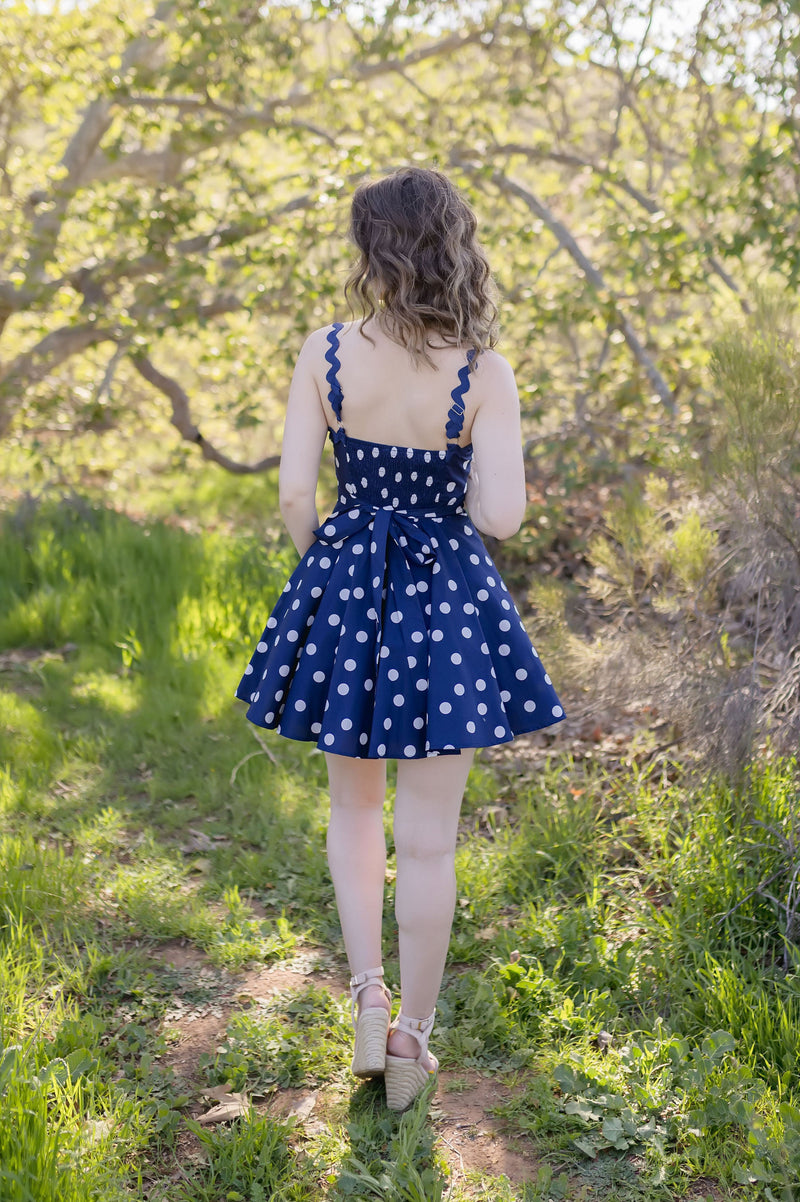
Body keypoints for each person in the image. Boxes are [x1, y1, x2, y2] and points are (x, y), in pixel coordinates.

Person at [235, 166, 565, 1110]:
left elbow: (295, 495)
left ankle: (367, 995)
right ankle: (411, 1039)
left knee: (353, 813)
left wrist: (333, 566)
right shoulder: (483, 372)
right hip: (446, 608)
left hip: (348, 588)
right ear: (453, 249)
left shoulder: (326, 351)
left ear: (371, 251)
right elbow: (501, 518)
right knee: (427, 843)